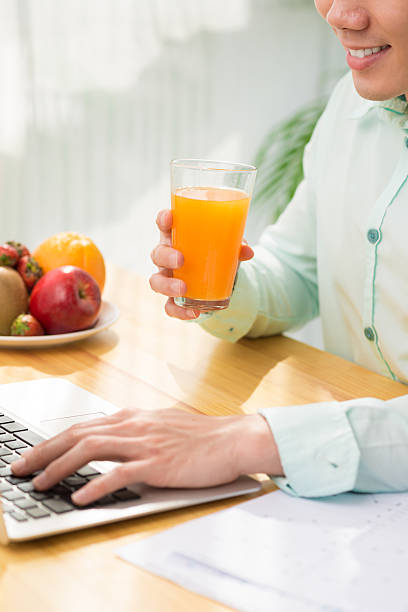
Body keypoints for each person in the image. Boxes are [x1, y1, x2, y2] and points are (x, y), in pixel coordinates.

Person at [12, 0, 408, 504]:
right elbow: (298, 270)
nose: (339, 14)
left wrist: (249, 440)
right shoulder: (349, 108)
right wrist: (218, 284)